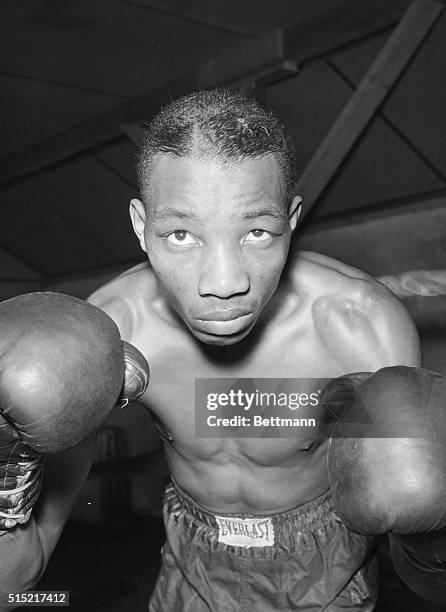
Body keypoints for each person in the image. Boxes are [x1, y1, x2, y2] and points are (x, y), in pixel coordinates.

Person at [1, 89, 445, 611]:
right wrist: (9, 467)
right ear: (142, 227)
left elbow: (422, 557)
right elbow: (18, 578)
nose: (224, 283)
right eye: (181, 235)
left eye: (256, 231)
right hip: (190, 560)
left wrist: (432, 543)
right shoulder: (114, 332)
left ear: (292, 218)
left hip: (327, 562)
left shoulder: (359, 327)